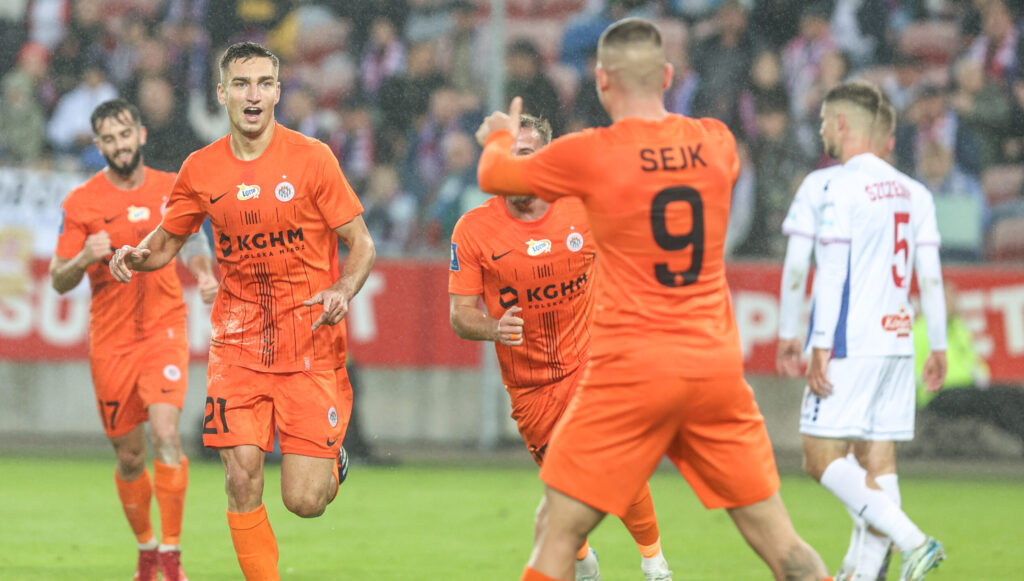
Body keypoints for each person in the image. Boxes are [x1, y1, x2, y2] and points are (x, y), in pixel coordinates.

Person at [475, 18, 831, 581]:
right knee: (784, 547)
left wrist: (498, 131)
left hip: (632, 367)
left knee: (557, 531)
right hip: (713, 367)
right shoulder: (717, 142)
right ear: (667, 75)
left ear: (600, 82)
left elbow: (496, 173)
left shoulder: (592, 153)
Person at [108, 42, 376, 581]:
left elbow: (362, 245)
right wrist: (138, 256)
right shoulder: (201, 168)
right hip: (238, 344)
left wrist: (343, 290)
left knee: (304, 501)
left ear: (277, 91)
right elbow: (166, 242)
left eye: (262, 83)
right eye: (241, 84)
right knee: (241, 475)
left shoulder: (312, 158)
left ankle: (330, 464)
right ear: (222, 93)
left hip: (309, 346)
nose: (252, 95)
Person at [450, 114, 672, 581]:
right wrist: (493, 328)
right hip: (530, 389)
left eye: (526, 155)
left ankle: (654, 563)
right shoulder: (473, 229)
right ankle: (583, 559)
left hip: (591, 364)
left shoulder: (583, 208)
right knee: (564, 486)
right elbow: (460, 315)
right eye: (507, 155)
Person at [49, 98, 219, 581]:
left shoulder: (171, 188)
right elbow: (59, 279)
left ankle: (172, 555)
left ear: (141, 135)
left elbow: (195, 242)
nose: (120, 145)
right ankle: (147, 550)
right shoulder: (81, 203)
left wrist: (205, 275)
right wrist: (84, 256)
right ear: (98, 144)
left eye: (126, 135)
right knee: (129, 456)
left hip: (165, 328)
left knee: (166, 433)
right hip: (111, 341)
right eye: (109, 138)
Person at [804, 80, 949, 581]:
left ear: (843, 125)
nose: (821, 128)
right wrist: (942, 344)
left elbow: (834, 269)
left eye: (825, 120)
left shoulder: (838, 186)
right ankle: (863, 574)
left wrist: (820, 343)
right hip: (899, 339)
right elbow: (928, 273)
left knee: (820, 457)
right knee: (877, 461)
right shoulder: (915, 191)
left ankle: (915, 541)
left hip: (852, 340)